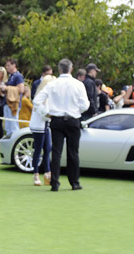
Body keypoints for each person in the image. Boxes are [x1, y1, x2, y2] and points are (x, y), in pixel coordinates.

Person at [44, 58, 89, 191]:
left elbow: (38, 100)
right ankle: (74, 182)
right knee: (73, 152)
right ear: (71, 68)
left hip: (57, 120)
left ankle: (55, 183)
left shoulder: (52, 84)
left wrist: (46, 112)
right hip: (73, 119)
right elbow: (85, 105)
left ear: (59, 69)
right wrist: (76, 110)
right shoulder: (78, 84)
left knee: (56, 152)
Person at [30, 74, 55, 186]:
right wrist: (49, 115)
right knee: (38, 149)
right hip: (39, 126)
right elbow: (42, 112)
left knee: (48, 148)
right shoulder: (40, 96)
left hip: (46, 125)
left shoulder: (49, 97)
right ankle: (36, 173)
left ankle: (47, 173)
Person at [3, 58, 25, 136]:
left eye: (8, 65)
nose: (7, 67)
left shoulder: (18, 76)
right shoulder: (10, 76)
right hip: (7, 102)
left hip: (14, 103)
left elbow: (21, 89)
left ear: (14, 65)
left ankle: (15, 142)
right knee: (8, 125)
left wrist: (7, 88)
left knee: (13, 125)